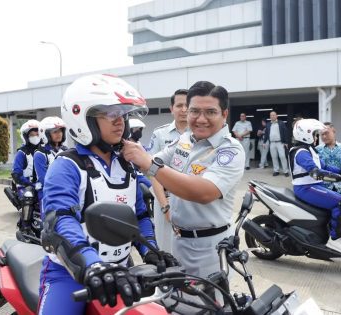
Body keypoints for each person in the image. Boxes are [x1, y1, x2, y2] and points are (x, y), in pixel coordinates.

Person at [38, 74, 178, 314]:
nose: (120, 122)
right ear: (84, 118)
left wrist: (151, 252)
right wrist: (92, 265)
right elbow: (60, 220)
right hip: (70, 273)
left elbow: (139, 216)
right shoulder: (67, 165)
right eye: (110, 114)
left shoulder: (127, 164)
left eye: (122, 114)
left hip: (119, 272)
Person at [123, 80, 245, 278]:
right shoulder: (186, 139)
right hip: (178, 241)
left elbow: (204, 192)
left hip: (210, 248)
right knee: (178, 303)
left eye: (210, 112)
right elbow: (156, 160)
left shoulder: (230, 150)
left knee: (210, 305)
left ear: (224, 114)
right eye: (194, 111)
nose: (201, 119)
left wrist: (149, 164)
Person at [289, 119, 341, 254]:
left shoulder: (309, 150)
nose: (317, 137)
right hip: (305, 188)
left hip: (313, 186)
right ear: (306, 135)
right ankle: (335, 239)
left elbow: (324, 166)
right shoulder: (301, 152)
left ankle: (331, 235)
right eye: (315, 135)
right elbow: (315, 172)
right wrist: (339, 178)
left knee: (339, 201)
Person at [148, 88, 189, 254]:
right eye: (179, 105)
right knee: (165, 247)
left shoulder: (200, 134)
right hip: (165, 197)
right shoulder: (160, 134)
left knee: (188, 246)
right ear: (172, 109)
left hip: (190, 197)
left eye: (187, 105)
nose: (184, 109)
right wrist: (165, 207)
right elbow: (152, 171)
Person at [11, 119, 41, 232]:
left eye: (37, 134)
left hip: (43, 183)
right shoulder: (22, 153)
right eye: (32, 134)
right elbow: (16, 173)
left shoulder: (44, 151)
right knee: (28, 195)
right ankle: (25, 227)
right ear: (26, 136)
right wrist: (31, 184)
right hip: (26, 185)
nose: (35, 136)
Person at [33, 116, 68, 205]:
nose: (59, 134)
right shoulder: (40, 154)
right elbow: (44, 180)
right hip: (47, 191)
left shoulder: (66, 151)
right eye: (55, 132)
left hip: (66, 188)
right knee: (50, 217)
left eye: (60, 131)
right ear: (45, 134)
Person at [316, 122, 341, 193]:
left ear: (334, 131)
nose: (324, 136)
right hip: (323, 189)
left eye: (326, 133)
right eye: (322, 134)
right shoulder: (316, 150)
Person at [264, 111, 289, 176]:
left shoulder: (281, 123)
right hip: (272, 143)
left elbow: (285, 132)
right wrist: (264, 142)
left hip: (280, 143)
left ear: (276, 116)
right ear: (270, 117)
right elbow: (266, 134)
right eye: (271, 115)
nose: (272, 116)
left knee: (282, 156)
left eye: (273, 115)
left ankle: (285, 171)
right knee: (274, 157)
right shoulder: (268, 124)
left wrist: (286, 142)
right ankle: (276, 170)